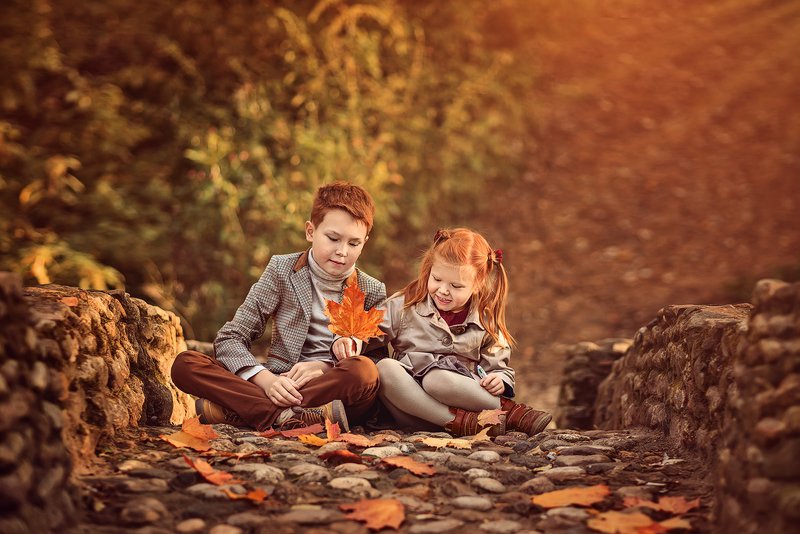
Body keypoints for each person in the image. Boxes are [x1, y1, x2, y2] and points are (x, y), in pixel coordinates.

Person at [171, 181, 386, 432]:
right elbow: (231, 337)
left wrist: (326, 366)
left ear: (365, 242)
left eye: (354, 243)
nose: (342, 251)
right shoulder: (281, 270)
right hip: (280, 382)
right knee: (186, 364)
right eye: (333, 238)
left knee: (365, 372)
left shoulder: (372, 290)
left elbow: (377, 362)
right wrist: (266, 380)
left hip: (332, 388)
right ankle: (293, 417)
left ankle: (247, 410)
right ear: (310, 231)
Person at [332, 227, 552, 437]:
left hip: (463, 399)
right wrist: (352, 339)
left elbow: (498, 367)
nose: (443, 290)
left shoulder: (485, 319)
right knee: (385, 368)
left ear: (477, 284)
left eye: (456, 286)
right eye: (437, 279)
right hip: (415, 410)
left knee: (437, 379)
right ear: (429, 270)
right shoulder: (405, 305)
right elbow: (371, 328)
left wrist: (500, 379)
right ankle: (463, 422)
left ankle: (507, 410)